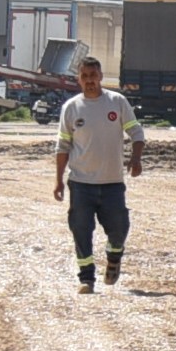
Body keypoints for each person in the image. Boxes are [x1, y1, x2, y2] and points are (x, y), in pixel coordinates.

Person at [52, 56, 139, 293]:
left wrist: (136, 158)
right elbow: (62, 147)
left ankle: (113, 258)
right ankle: (86, 279)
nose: (90, 80)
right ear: (79, 79)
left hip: (112, 183)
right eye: (85, 76)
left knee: (119, 228)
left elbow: (136, 132)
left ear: (100, 76)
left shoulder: (117, 102)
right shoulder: (71, 108)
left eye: (94, 75)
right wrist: (58, 180)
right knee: (80, 229)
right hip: (81, 183)